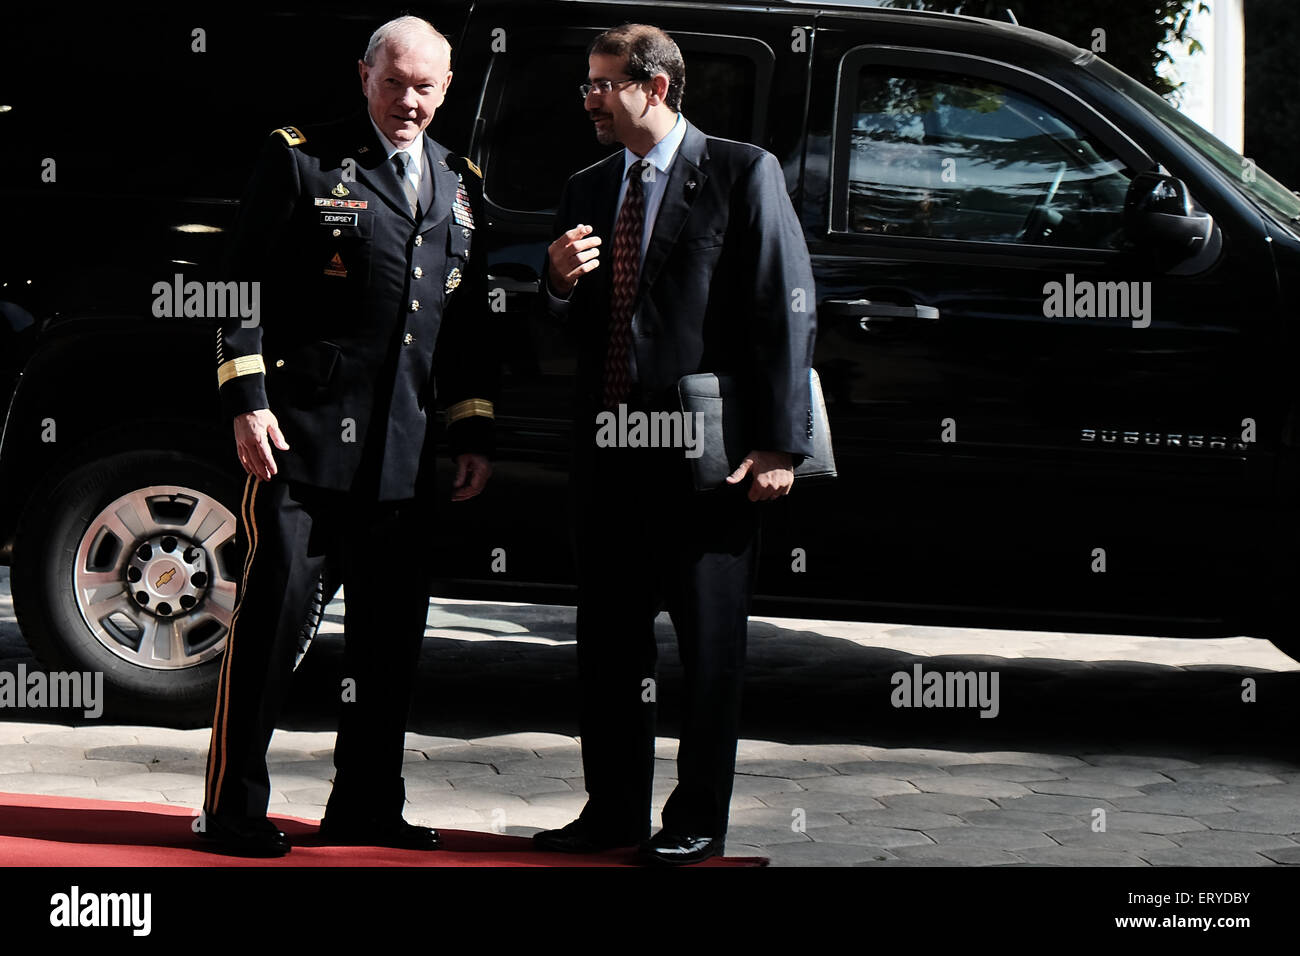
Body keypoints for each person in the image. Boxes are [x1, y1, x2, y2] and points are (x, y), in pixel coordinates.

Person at [201, 15, 496, 857]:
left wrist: (472, 428)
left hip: (403, 457)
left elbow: (464, 322)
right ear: (363, 75)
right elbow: (237, 289)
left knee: (389, 641)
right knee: (269, 630)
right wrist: (246, 399)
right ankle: (233, 811)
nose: (409, 101)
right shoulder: (301, 157)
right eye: (395, 81)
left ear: (447, 88)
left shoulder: (460, 179)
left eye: (427, 87)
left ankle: (367, 804)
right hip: (298, 444)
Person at [533, 23, 816, 865]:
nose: (588, 98)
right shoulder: (587, 186)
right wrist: (554, 282)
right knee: (608, 649)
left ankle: (697, 820)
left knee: (709, 651)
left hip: (707, 464)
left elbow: (783, 306)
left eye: (602, 84)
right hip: (609, 455)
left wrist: (779, 445)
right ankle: (611, 813)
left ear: (654, 89)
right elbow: (569, 329)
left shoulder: (740, 172)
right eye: (586, 82)